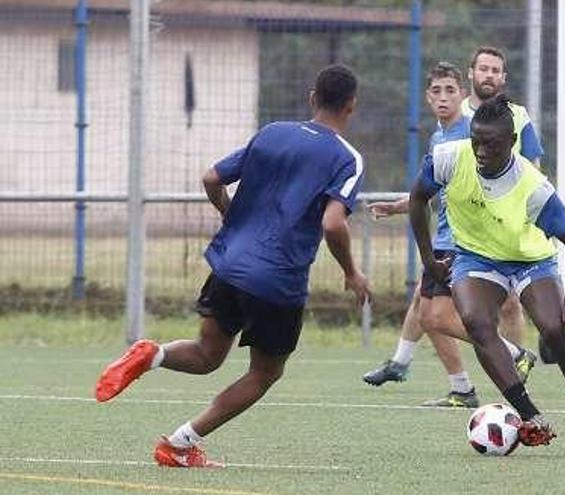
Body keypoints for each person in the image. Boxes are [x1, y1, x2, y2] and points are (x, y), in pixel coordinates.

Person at [94, 64, 371, 468]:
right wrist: (351, 271)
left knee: (208, 354)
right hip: (276, 280)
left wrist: (229, 214)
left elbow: (211, 177)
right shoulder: (347, 158)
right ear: (352, 105)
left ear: (313, 97)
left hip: (228, 263)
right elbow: (333, 222)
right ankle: (179, 444)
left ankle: (152, 353)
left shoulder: (273, 132)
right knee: (265, 373)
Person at [409, 94, 565, 457]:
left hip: (530, 259)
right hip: (475, 256)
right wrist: (428, 258)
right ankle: (529, 416)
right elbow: (416, 199)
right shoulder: (448, 159)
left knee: (554, 329)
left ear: (512, 144)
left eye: (491, 144)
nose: (481, 151)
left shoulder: (532, 186)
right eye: (476, 141)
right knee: (475, 321)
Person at [362, 62, 536, 408]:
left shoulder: (470, 134)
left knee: (436, 317)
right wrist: (398, 207)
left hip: (462, 242)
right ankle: (423, 373)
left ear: (463, 95)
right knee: (424, 309)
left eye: (450, 91)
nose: (443, 98)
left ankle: (513, 354)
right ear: (427, 98)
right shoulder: (439, 137)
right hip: (444, 239)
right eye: (436, 91)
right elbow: (429, 192)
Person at [462, 45, 549, 358]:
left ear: (503, 78)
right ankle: (457, 381)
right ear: (471, 73)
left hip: (505, 225)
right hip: (464, 225)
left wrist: (530, 214)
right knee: (433, 306)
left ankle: (517, 365)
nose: (489, 75)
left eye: (495, 70)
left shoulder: (518, 116)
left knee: (510, 303)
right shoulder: (456, 115)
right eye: (483, 68)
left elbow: (533, 169)